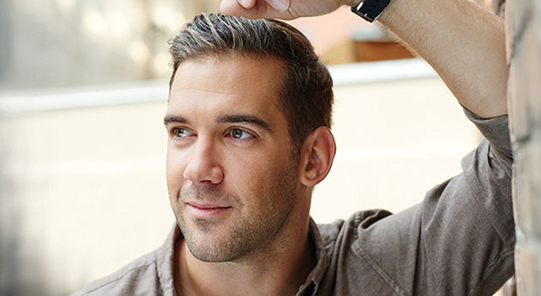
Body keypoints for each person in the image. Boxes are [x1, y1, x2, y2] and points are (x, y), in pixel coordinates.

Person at [72, 0, 514, 295]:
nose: (197, 170)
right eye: (181, 132)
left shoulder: (393, 271)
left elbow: (525, 149)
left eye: (238, 133)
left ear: (313, 158)